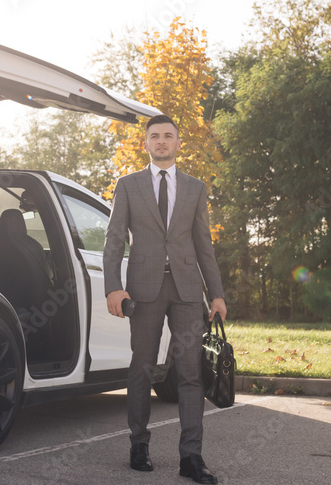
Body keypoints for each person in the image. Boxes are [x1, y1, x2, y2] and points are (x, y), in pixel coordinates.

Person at [104, 114, 226, 484]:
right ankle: (138, 444)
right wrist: (113, 286)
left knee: (191, 375)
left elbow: (204, 245)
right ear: (145, 144)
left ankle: (191, 457)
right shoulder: (127, 185)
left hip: (188, 291)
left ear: (177, 143)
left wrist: (216, 293)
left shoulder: (195, 188)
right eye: (154, 136)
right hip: (143, 289)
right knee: (142, 368)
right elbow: (113, 239)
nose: (161, 141)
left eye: (168, 136)